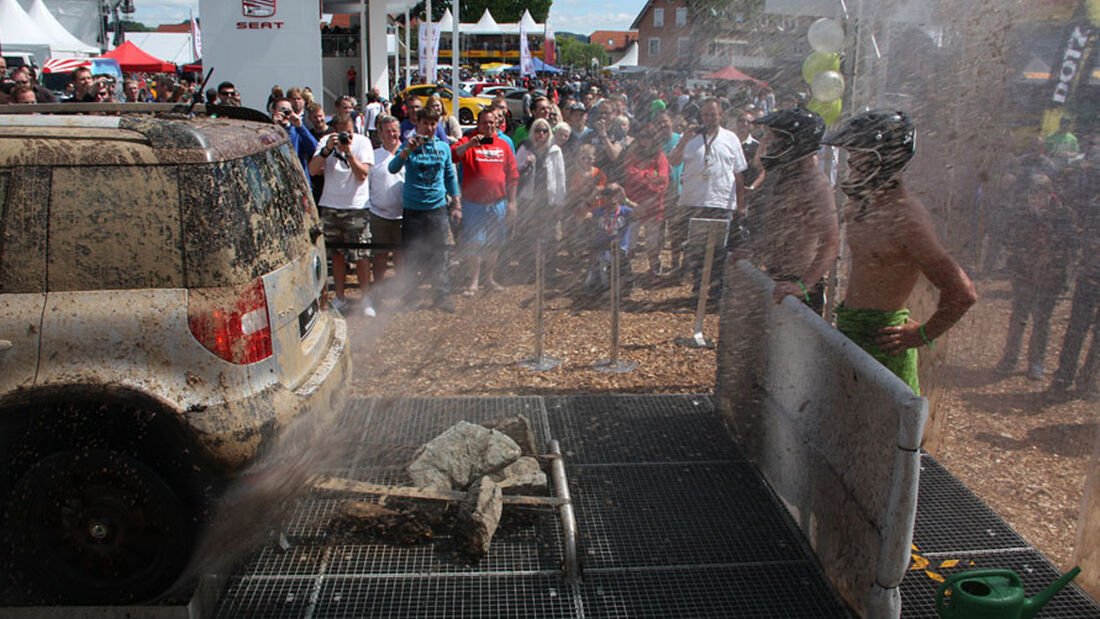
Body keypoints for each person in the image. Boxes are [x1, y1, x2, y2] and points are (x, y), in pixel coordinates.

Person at [823, 110, 977, 394]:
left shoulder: (907, 218)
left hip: (886, 342)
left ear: (884, 160)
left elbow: (962, 292)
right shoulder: (862, 204)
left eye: (858, 155)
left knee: (886, 431)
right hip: (851, 329)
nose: (851, 163)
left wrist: (922, 334)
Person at [749, 108, 837, 315]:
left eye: (776, 136)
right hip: (775, 279)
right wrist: (753, 251)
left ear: (796, 142)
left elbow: (831, 243)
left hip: (799, 285)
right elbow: (778, 228)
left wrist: (804, 285)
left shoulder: (815, 183)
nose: (768, 140)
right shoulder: (780, 177)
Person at [995, 173, 1077, 380]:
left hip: (1051, 277)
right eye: (1032, 193)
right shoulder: (1021, 212)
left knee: (1042, 320)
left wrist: (1063, 275)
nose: (1035, 198)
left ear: (1049, 193)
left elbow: (1071, 248)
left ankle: (1036, 362)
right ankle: (1009, 359)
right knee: (1018, 318)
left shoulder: (1064, 215)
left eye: (1040, 193)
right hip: (1024, 274)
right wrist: (1020, 257)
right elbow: (1008, 237)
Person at [667, 97, 747, 292]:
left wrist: (741, 204)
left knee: (720, 250)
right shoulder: (690, 138)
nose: (709, 118)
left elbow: (738, 173)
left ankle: (716, 290)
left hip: (721, 202)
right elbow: (674, 161)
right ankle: (699, 288)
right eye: (705, 114)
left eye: (713, 114)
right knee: (697, 248)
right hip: (695, 201)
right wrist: (684, 139)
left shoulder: (731, 138)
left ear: (721, 115)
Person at [388, 106, 462, 313]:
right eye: (425, 123)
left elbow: (449, 176)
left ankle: (441, 295)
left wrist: (456, 203)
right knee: (413, 255)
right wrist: (406, 150)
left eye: (432, 124)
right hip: (413, 210)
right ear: (417, 124)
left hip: (437, 209)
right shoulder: (409, 145)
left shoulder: (444, 147)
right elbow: (392, 168)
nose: (429, 128)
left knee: (440, 254)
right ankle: (410, 296)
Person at [308, 111, 375, 316]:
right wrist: (328, 150)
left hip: (356, 206)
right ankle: (340, 296)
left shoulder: (363, 143)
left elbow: (362, 174)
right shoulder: (325, 142)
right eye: (342, 133)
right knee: (336, 255)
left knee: (361, 255)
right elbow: (312, 170)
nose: (347, 137)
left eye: (350, 132)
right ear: (334, 131)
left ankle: (366, 298)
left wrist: (348, 152)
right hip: (330, 205)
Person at [452, 109, 519, 296]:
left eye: (492, 123)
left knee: (494, 242)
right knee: (474, 243)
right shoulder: (469, 141)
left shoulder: (503, 144)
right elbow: (453, 155)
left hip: (498, 202)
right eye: (484, 123)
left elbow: (513, 174)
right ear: (478, 124)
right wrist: (468, 145)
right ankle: (473, 281)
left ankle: (489, 278)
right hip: (474, 204)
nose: (489, 126)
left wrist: (512, 202)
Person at [513, 118, 567, 279]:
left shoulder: (555, 150)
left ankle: (549, 269)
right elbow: (514, 170)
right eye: (538, 130)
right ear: (533, 132)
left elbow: (560, 177)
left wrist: (560, 202)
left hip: (547, 200)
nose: (541, 134)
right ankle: (528, 269)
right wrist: (525, 163)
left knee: (549, 234)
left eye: (544, 131)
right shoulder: (525, 147)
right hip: (528, 198)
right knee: (528, 234)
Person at [622, 121, 670, 282]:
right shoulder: (632, 153)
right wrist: (650, 177)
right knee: (630, 240)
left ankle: (654, 270)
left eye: (648, 137)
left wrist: (642, 176)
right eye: (642, 137)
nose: (645, 140)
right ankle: (626, 272)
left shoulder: (660, 155)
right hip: (633, 204)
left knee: (652, 242)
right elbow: (630, 174)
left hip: (654, 203)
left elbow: (663, 180)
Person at [367, 115, 405, 294]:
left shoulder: (408, 152)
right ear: (380, 133)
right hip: (379, 214)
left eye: (395, 130)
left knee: (401, 255)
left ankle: (400, 288)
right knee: (379, 255)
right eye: (388, 131)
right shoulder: (373, 156)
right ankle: (379, 288)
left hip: (404, 215)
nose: (392, 134)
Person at [271, 97, 319, 181]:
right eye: (281, 110)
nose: (285, 113)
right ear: (273, 111)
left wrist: (300, 126)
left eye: (288, 110)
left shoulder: (297, 131)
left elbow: (314, 148)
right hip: (277, 179)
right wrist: (273, 125)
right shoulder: (267, 129)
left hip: (297, 181)